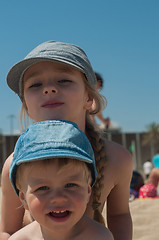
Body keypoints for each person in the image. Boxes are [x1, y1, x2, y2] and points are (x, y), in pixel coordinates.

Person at [0, 40, 133, 240]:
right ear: (26, 104)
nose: (49, 89)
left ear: (89, 97)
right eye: (36, 84)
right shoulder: (14, 164)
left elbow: (120, 215)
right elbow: (7, 231)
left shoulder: (116, 158)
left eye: (63, 80)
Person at [8, 120, 114, 240]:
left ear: (88, 191)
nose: (58, 197)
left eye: (70, 185)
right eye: (43, 188)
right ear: (23, 199)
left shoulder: (99, 236)